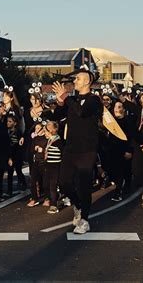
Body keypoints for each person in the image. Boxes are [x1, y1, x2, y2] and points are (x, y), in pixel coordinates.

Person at [52, 66, 103, 234]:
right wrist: (60, 102)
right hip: (71, 148)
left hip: (87, 150)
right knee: (64, 183)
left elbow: (82, 112)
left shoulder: (94, 100)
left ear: (87, 82)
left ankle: (85, 220)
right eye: (75, 79)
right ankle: (78, 205)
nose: (75, 81)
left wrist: (66, 97)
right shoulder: (71, 100)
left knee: (84, 186)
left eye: (78, 79)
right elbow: (57, 116)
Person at [108, 99, 134, 201]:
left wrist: (129, 150)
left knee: (123, 171)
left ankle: (118, 192)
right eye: (115, 107)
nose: (117, 109)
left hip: (124, 150)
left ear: (123, 109)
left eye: (119, 107)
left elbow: (131, 137)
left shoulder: (128, 121)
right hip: (113, 150)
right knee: (115, 171)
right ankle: (122, 186)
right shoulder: (111, 121)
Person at [43, 121, 63, 213]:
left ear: (53, 130)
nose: (45, 132)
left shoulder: (58, 141)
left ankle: (54, 205)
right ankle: (60, 197)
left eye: (46, 131)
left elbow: (63, 154)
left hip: (56, 166)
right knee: (47, 185)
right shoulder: (50, 140)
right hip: (49, 166)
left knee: (53, 186)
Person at [27, 122, 47, 207]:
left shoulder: (46, 138)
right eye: (36, 129)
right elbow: (31, 150)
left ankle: (47, 198)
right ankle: (34, 198)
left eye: (38, 128)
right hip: (37, 161)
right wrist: (34, 149)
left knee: (45, 181)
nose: (36, 130)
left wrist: (42, 150)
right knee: (33, 180)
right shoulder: (35, 139)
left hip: (45, 162)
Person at [6, 113, 25, 197]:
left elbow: (20, 145)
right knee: (9, 173)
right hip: (9, 154)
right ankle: (9, 190)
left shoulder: (18, 132)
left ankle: (23, 183)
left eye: (10, 121)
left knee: (18, 170)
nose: (8, 123)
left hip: (17, 155)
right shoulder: (6, 132)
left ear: (15, 123)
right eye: (7, 121)